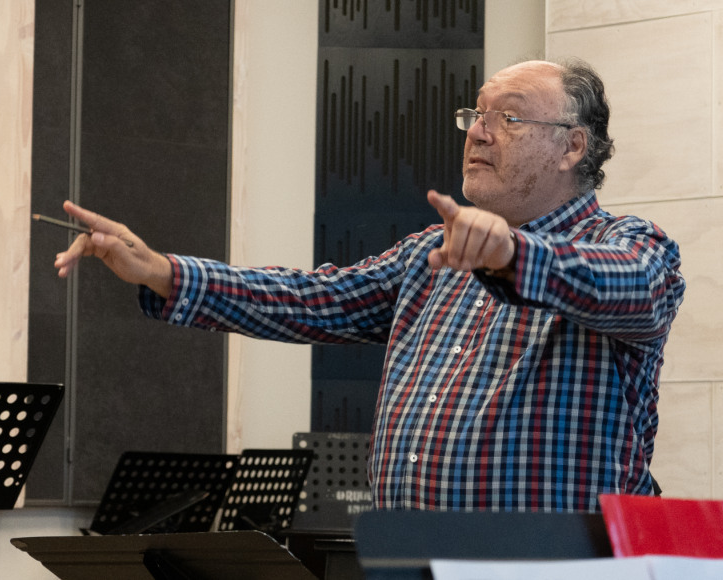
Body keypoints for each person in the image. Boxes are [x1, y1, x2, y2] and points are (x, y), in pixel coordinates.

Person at [53, 59, 685, 512]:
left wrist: (511, 255)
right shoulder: (429, 258)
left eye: (508, 118)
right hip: (413, 563)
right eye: (475, 114)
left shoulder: (630, 246)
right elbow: (310, 299)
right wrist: (161, 271)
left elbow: (621, 287)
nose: (478, 132)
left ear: (572, 145)